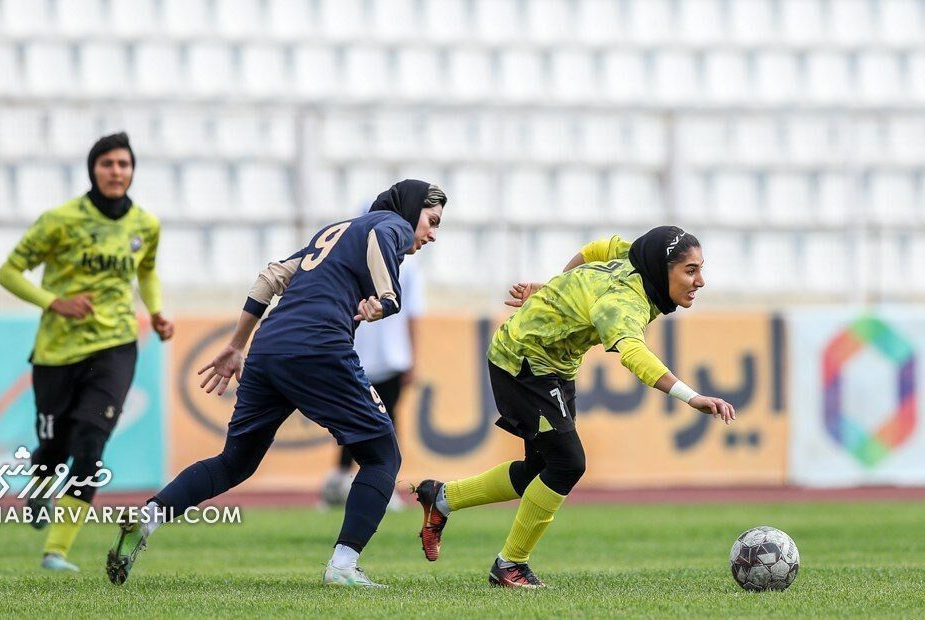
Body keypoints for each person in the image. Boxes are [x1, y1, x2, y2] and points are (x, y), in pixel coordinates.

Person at [106, 180, 447, 588]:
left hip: (268, 349)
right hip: (319, 346)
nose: (431, 234)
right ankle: (342, 566)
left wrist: (236, 346)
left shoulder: (334, 232)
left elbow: (269, 277)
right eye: (431, 221)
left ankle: (148, 517)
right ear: (411, 209)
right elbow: (381, 240)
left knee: (235, 462)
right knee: (382, 457)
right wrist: (388, 299)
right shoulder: (389, 225)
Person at [413, 227, 736, 588]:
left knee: (540, 467)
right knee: (568, 462)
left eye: (700, 269)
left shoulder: (634, 258)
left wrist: (553, 292)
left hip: (553, 365)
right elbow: (634, 354)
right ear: (663, 270)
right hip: (523, 361)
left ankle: (441, 497)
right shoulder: (623, 304)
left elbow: (600, 247)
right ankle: (510, 566)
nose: (700, 281)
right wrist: (692, 397)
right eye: (690, 271)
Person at [0, 132, 174, 572]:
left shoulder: (145, 225)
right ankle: (40, 482)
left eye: (124, 164)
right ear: (93, 169)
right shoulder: (59, 220)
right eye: (108, 163)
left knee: (91, 445)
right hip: (57, 351)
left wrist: (154, 312)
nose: (117, 172)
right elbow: (8, 272)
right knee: (53, 448)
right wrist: (53, 302)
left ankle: (56, 552)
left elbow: (147, 271)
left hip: (116, 344)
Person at [321, 256, 423, 511]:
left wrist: (412, 357)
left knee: (383, 421)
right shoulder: (358, 260)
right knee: (360, 420)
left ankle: (379, 484)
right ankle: (346, 480)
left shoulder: (405, 265)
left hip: (388, 357)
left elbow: (412, 311)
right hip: (360, 354)